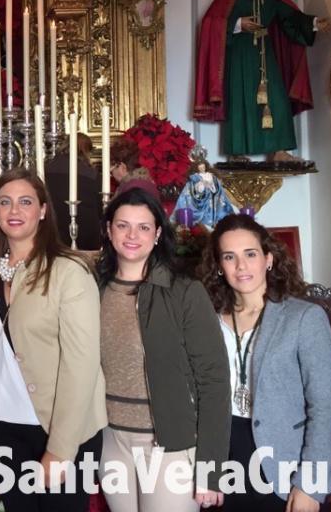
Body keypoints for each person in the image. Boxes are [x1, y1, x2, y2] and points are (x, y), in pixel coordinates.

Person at [0, 168, 106, 511]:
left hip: (58, 430)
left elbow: (82, 366)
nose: (14, 210)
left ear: (43, 210)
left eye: (25, 202)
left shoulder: (68, 272)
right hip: (5, 429)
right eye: (5, 202)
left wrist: (61, 449)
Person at [97, 186, 230, 512]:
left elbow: (213, 379)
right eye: (123, 225)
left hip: (169, 444)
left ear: (157, 234)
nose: (132, 235)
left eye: (143, 227)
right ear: (109, 230)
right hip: (112, 441)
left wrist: (210, 469)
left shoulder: (184, 292)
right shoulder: (94, 289)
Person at [200, 214, 331, 512]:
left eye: (250, 254)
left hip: (285, 456)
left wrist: (311, 484)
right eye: (229, 256)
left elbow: (326, 407)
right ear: (219, 266)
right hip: (225, 453)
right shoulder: (207, 320)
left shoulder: (304, 318)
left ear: (268, 258)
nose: (241, 266)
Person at [193, 0, 329, 160]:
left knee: (276, 97)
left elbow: (290, 17)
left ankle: (280, 150)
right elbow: (211, 22)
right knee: (239, 98)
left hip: (266, 52)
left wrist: (313, 23)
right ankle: (237, 153)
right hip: (239, 53)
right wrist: (239, 23)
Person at [45, 133, 103, 249]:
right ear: (86, 151)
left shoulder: (46, 169)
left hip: (52, 230)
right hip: (85, 233)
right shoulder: (91, 175)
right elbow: (99, 207)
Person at [173, 158, 233, 228]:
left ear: (206, 167)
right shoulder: (196, 177)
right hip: (203, 199)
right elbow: (196, 190)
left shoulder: (211, 175)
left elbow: (217, 187)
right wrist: (202, 186)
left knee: (219, 207)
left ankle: (216, 222)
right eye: (200, 168)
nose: (202, 169)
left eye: (203, 167)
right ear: (197, 168)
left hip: (214, 197)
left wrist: (212, 187)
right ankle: (206, 224)